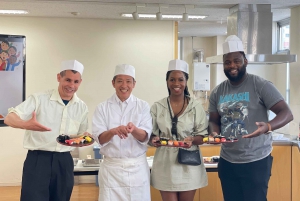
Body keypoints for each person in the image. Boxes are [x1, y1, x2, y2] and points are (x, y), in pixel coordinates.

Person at [208, 35, 293, 201]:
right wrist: (214, 134)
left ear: (245, 61)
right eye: (227, 62)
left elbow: (286, 113)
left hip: (256, 160)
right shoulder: (218, 92)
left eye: (237, 60)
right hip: (227, 161)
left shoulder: (260, 85)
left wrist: (267, 127)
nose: (232, 65)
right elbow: (213, 120)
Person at [4, 60, 89, 201]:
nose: (71, 85)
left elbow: (79, 136)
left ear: (80, 82)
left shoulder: (81, 107)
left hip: (64, 162)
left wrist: (83, 139)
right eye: (67, 80)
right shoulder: (39, 99)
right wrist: (26, 124)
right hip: (38, 160)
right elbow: (9, 118)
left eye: (76, 81)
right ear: (58, 77)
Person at [149, 59, 208, 201]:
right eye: (172, 79)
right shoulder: (158, 106)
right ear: (167, 82)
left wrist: (192, 139)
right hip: (165, 164)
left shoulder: (195, 106)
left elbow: (202, 136)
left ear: (186, 81)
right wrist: (154, 140)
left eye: (180, 79)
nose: (176, 84)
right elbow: (150, 135)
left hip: (189, 163)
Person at [92, 64, 152, 201]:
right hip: (112, 169)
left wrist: (134, 130)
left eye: (128, 81)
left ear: (134, 84)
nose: (124, 85)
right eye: (119, 81)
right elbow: (100, 139)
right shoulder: (102, 108)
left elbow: (145, 137)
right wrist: (112, 131)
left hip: (137, 168)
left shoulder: (142, 106)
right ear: (113, 83)